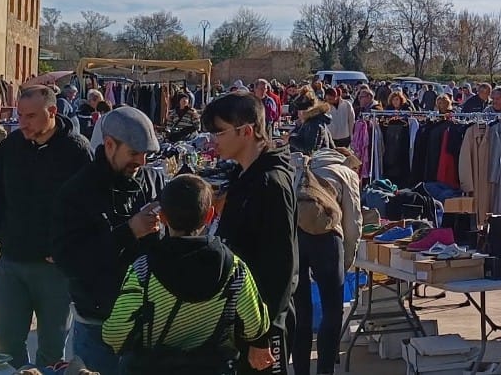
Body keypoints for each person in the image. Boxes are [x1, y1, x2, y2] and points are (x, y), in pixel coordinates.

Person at [0, 85, 93, 369]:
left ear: (52, 112)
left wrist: (69, 250)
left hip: (56, 271)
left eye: (31, 116)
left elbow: (90, 211)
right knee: (7, 344)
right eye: (20, 115)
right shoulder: (9, 148)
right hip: (11, 262)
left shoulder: (76, 151)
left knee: (51, 351)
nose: (22, 122)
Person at [102, 175, 271, 374]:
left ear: (163, 217)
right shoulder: (234, 268)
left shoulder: (143, 270)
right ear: (210, 215)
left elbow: (115, 334)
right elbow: (255, 326)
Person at [52, 107, 166, 375]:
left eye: (145, 154)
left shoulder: (152, 180)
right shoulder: (77, 191)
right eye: (133, 153)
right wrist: (129, 231)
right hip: (97, 324)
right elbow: (69, 261)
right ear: (110, 145)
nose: (141, 161)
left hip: (146, 323)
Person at [203, 92, 297, 375]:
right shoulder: (244, 175)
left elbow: (281, 266)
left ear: (246, 131)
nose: (212, 141)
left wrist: (263, 337)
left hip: (265, 324)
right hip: (242, 316)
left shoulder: (271, 184)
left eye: (218, 132)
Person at [290, 147, 362, 375]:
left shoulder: (299, 168)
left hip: (296, 238)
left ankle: (300, 370)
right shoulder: (345, 173)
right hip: (328, 240)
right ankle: (325, 370)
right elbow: (353, 222)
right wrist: (347, 259)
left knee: (301, 312)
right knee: (332, 311)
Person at [289, 86, 335, 154]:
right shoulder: (315, 119)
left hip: (317, 162)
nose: (298, 115)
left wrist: (290, 140)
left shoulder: (313, 123)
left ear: (304, 111)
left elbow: (309, 150)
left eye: (298, 111)